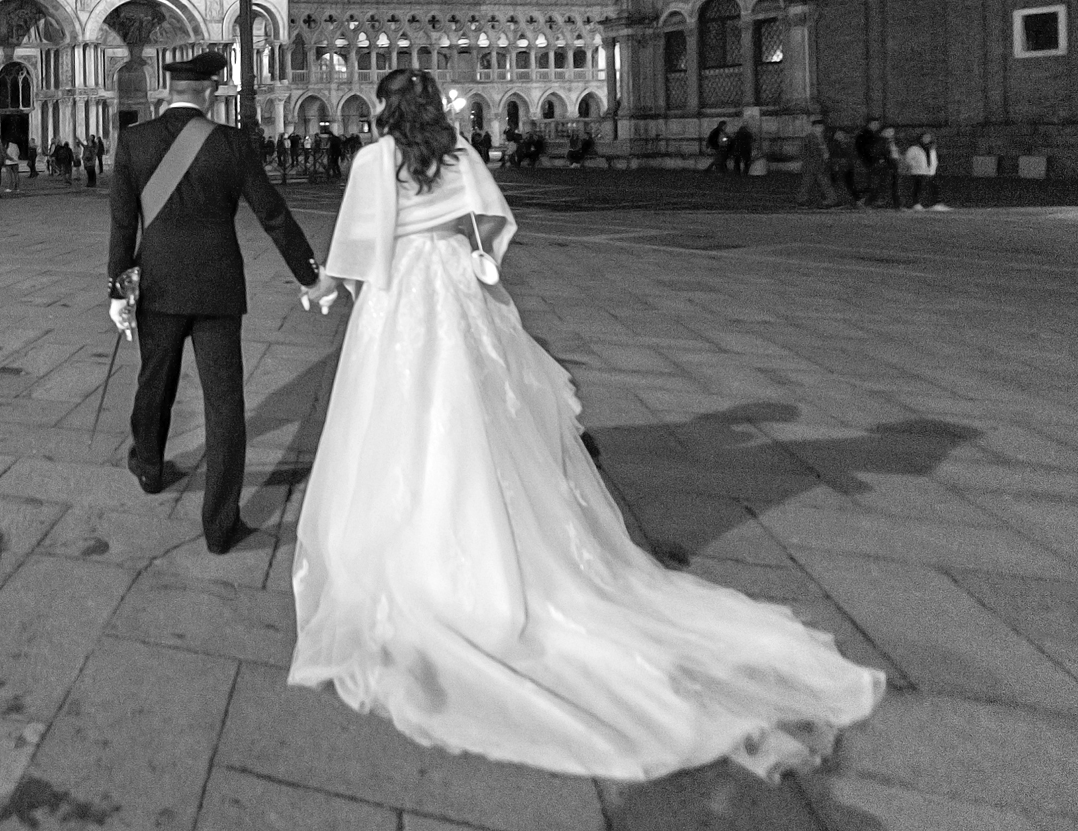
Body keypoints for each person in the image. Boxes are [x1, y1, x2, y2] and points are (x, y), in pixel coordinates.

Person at [288, 67, 884, 780]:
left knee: (396, 416)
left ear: (386, 110)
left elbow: (358, 248)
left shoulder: (374, 161)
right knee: (475, 416)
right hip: (454, 292)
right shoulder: (459, 155)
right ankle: (491, 531)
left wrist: (322, 286)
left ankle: (413, 541)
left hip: (401, 299)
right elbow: (491, 225)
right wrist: (463, 249)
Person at [109, 51, 323, 555]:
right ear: (208, 92)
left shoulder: (134, 141)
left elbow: (122, 223)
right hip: (218, 288)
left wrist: (118, 290)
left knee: (154, 382)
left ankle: (149, 467)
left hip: (158, 287)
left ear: (168, 92)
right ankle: (220, 526)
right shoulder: (230, 142)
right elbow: (272, 214)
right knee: (224, 404)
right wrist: (308, 275)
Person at [796, 118, 839, 208]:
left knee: (816, 183)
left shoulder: (823, 138)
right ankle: (831, 200)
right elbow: (802, 152)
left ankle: (802, 200)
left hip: (820, 164)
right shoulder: (808, 138)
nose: (819, 129)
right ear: (812, 128)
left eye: (820, 127)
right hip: (812, 165)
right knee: (809, 183)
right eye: (816, 127)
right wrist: (811, 161)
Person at [902, 131, 949, 210]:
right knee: (918, 188)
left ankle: (935, 204)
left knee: (934, 187)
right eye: (925, 137)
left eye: (928, 137)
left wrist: (933, 167)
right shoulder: (914, 148)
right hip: (918, 172)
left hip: (930, 172)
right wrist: (915, 165)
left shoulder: (932, 149)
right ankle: (916, 204)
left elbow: (934, 159)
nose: (926, 139)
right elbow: (908, 159)